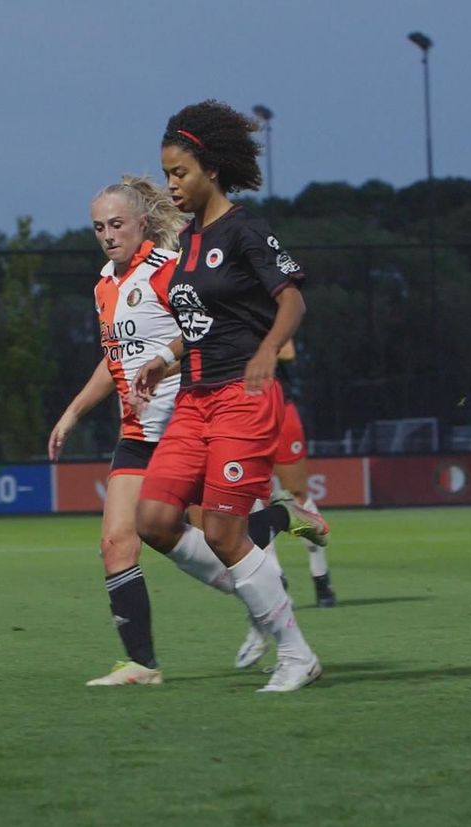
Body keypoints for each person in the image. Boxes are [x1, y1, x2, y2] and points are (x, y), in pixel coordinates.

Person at [48, 175, 307, 686]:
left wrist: (170, 365)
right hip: (136, 432)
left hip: (185, 424)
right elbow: (113, 359)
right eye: (98, 227)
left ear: (143, 222)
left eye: (116, 224)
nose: (107, 234)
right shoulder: (104, 285)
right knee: (116, 542)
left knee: (216, 536)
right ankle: (143, 664)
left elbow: (207, 332)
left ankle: (274, 538)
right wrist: (73, 412)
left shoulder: (169, 272)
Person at [133, 100, 329, 693]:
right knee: (155, 520)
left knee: (221, 532)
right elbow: (198, 324)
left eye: (180, 173)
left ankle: (296, 653)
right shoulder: (188, 245)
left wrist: (269, 349)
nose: (171, 185)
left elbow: (291, 298)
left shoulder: (247, 229)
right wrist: (164, 359)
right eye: (166, 173)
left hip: (243, 396)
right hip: (194, 397)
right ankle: (259, 588)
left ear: (211, 169)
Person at [273, 339, 336, 607]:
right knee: (250, 501)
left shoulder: (270, 310)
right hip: (238, 415)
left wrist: (243, 346)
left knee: (296, 496)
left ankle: (320, 577)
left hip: (279, 410)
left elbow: (287, 351)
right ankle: (275, 581)